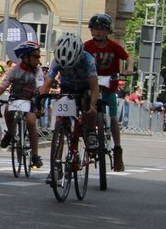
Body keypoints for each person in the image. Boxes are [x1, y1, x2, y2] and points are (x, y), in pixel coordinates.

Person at [40, 31, 100, 155]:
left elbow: (95, 87)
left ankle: (91, 132)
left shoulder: (88, 60)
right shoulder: (56, 61)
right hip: (67, 87)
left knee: (87, 104)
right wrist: (39, 103)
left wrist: (92, 106)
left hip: (85, 87)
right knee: (60, 119)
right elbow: (46, 85)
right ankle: (57, 157)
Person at [0, 41, 44, 168]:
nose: (38, 60)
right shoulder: (15, 70)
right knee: (8, 110)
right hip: (17, 98)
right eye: (35, 57)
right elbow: (3, 86)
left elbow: (41, 88)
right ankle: (11, 133)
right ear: (25, 58)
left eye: (38, 57)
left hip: (31, 100)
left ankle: (35, 155)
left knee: (30, 122)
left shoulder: (38, 71)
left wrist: (40, 105)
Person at [84, 13, 126, 171]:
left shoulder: (114, 46)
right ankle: (89, 134)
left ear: (108, 31)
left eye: (102, 29)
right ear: (91, 30)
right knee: (88, 110)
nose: (99, 32)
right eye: (95, 29)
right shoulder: (87, 46)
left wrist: (128, 69)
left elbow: (127, 58)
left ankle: (117, 149)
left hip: (109, 85)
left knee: (114, 119)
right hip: (92, 83)